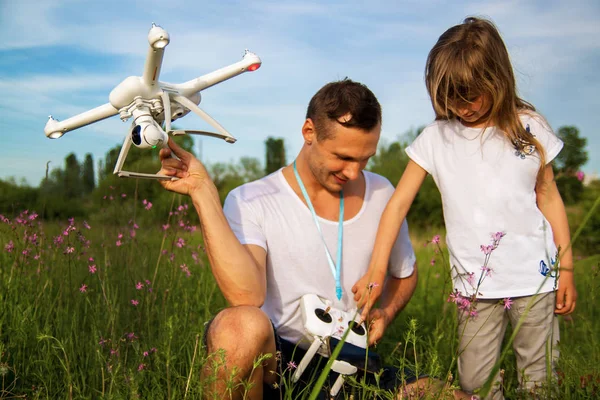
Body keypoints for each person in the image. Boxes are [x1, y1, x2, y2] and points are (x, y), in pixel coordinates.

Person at [158, 79, 468, 399]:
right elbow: (245, 295)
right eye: (343, 157)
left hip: (353, 364)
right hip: (282, 365)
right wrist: (202, 192)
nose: (353, 171)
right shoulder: (251, 199)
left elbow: (405, 272)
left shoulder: (382, 192)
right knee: (239, 327)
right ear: (309, 132)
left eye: (365, 159)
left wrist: (386, 312)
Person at [353, 17, 577, 400]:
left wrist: (567, 267)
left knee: (540, 382)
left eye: (469, 95)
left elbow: (549, 197)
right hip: (474, 288)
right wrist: (376, 269)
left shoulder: (530, 128)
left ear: (497, 80)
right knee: (475, 385)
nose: (460, 106)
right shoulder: (435, 139)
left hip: (535, 280)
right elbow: (397, 206)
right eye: (449, 97)